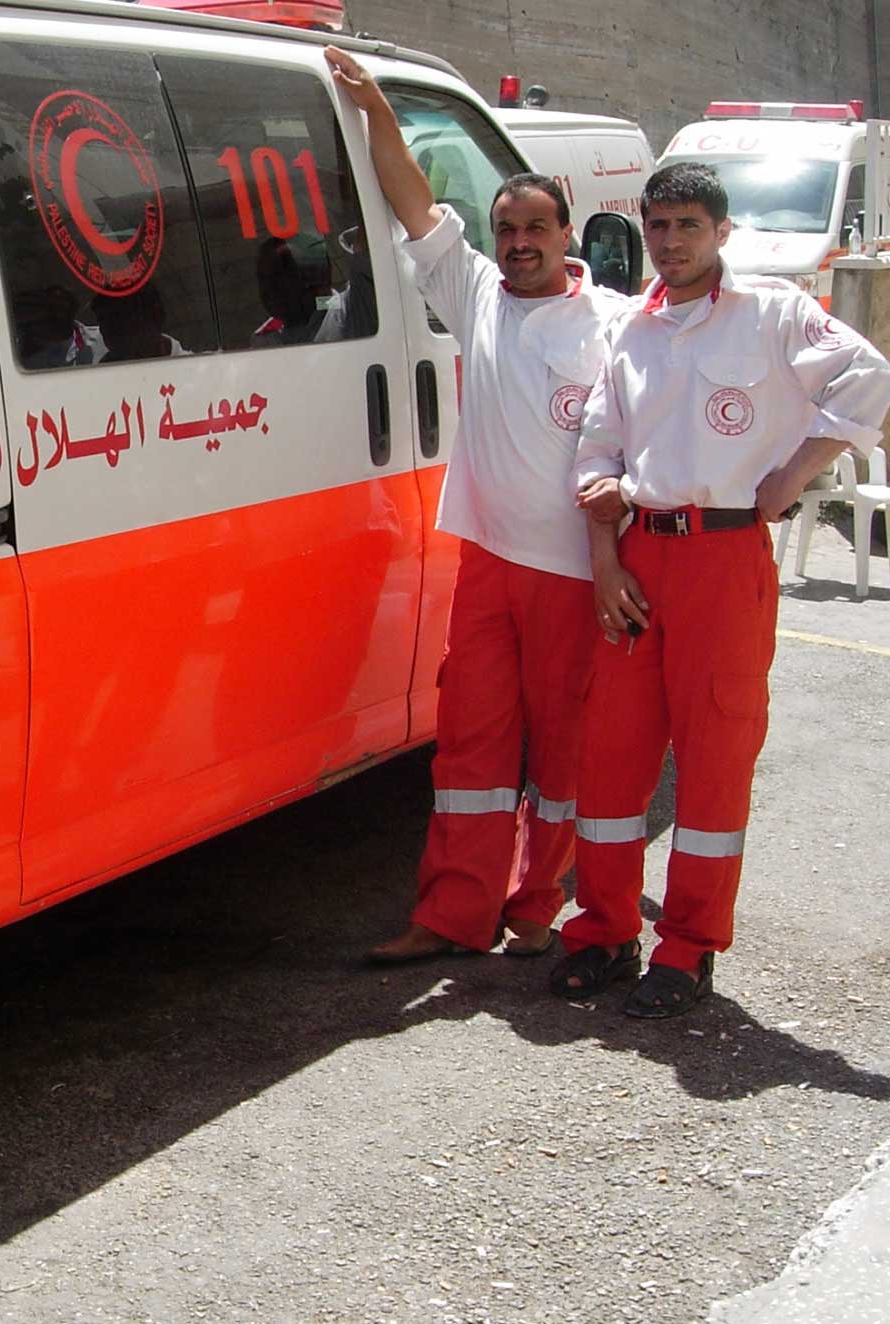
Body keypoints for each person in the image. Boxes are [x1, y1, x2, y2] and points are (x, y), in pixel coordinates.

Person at [552, 162, 890, 1017]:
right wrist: (605, 557)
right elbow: (599, 448)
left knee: (713, 760)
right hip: (639, 560)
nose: (672, 243)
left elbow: (870, 380)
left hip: (725, 557)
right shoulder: (633, 329)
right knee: (611, 755)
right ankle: (603, 929)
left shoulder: (773, 314)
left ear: (721, 232)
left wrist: (790, 478)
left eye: (689, 226)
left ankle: (689, 947)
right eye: (659, 227)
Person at [326, 47, 632, 965]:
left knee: (564, 756)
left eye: (536, 226)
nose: (519, 242)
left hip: (575, 574)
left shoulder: (615, 324)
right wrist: (378, 109)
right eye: (507, 228)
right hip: (488, 563)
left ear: (567, 232)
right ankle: (454, 914)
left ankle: (537, 905)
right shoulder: (478, 296)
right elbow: (413, 203)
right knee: (468, 749)